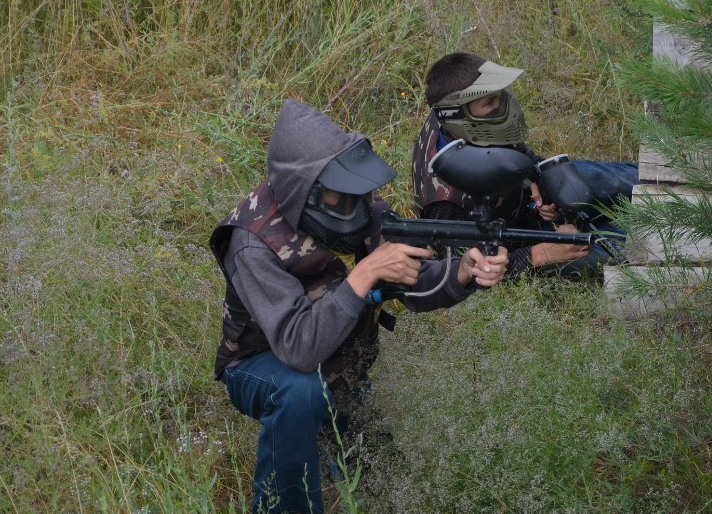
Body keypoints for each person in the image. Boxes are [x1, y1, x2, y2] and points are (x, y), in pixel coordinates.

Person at [211, 98, 509, 514]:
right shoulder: (251, 242)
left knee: (385, 485)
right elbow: (298, 349)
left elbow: (411, 281)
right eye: (343, 191)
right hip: (262, 364)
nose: (359, 200)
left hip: (341, 364)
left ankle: (331, 428)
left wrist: (462, 271)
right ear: (309, 191)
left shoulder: (358, 208)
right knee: (300, 393)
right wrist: (364, 274)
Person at [410, 52, 639, 278]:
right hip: (525, 244)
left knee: (602, 178)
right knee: (620, 250)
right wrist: (541, 253)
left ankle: (657, 189)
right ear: (456, 114)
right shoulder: (444, 204)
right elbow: (464, 272)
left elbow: (516, 148)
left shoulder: (459, 121)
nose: (502, 106)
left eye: (499, 96)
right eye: (489, 102)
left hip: (529, 208)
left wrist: (537, 180)